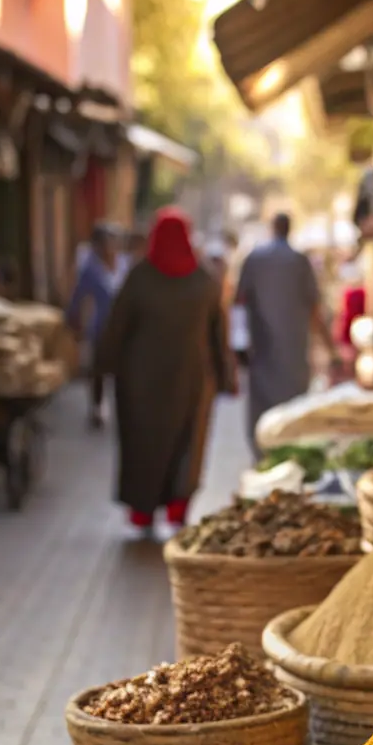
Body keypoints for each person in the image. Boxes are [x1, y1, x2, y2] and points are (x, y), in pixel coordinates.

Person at [96, 207, 237, 533]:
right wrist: (226, 376)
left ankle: (143, 511)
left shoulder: (139, 277)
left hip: (139, 383)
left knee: (142, 443)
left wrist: (102, 367)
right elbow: (219, 334)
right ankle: (177, 507)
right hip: (191, 382)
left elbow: (117, 326)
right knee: (186, 442)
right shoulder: (204, 281)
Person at [236, 212, 332, 454]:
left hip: (262, 351)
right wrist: (329, 345)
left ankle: (262, 459)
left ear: (273, 228)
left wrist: (237, 345)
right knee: (292, 414)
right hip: (293, 353)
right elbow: (315, 309)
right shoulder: (300, 261)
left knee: (263, 414)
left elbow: (238, 301)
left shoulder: (255, 259)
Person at [66, 222, 117, 428]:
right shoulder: (91, 268)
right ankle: (97, 407)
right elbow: (79, 296)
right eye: (105, 243)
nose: (110, 247)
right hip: (101, 326)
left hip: (123, 326)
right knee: (99, 369)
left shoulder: (121, 263)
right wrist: (72, 319)